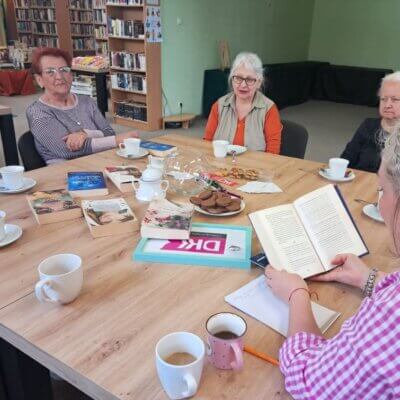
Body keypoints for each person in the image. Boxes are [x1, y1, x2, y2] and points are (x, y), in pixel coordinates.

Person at [265, 126, 400, 399]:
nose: (381, 203)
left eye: (382, 191)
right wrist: (368, 278)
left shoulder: (391, 318)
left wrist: (297, 295)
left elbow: (308, 381)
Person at [26, 47, 138, 164]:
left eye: (64, 70)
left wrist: (85, 134)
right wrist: (116, 141)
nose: (59, 76)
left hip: (101, 161)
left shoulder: (86, 101)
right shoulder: (37, 112)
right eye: (50, 72)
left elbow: (108, 132)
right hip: (66, 172)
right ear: (39, 80)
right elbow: (67, 151)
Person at [204, 52, 282, 154]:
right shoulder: (219, 105)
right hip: (220, 166)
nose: (243, 85)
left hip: (254, 168)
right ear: (232, 79)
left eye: (249, 79)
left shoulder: (269, 109)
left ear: (258, 82)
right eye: (238, 78)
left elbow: (273, 153)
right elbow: (206, 144)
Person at [340, 71, 400, 172]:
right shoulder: (368, 125)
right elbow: (346, 160)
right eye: (383, 99)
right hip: (360, 184)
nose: (387, 105)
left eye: (394, 100)